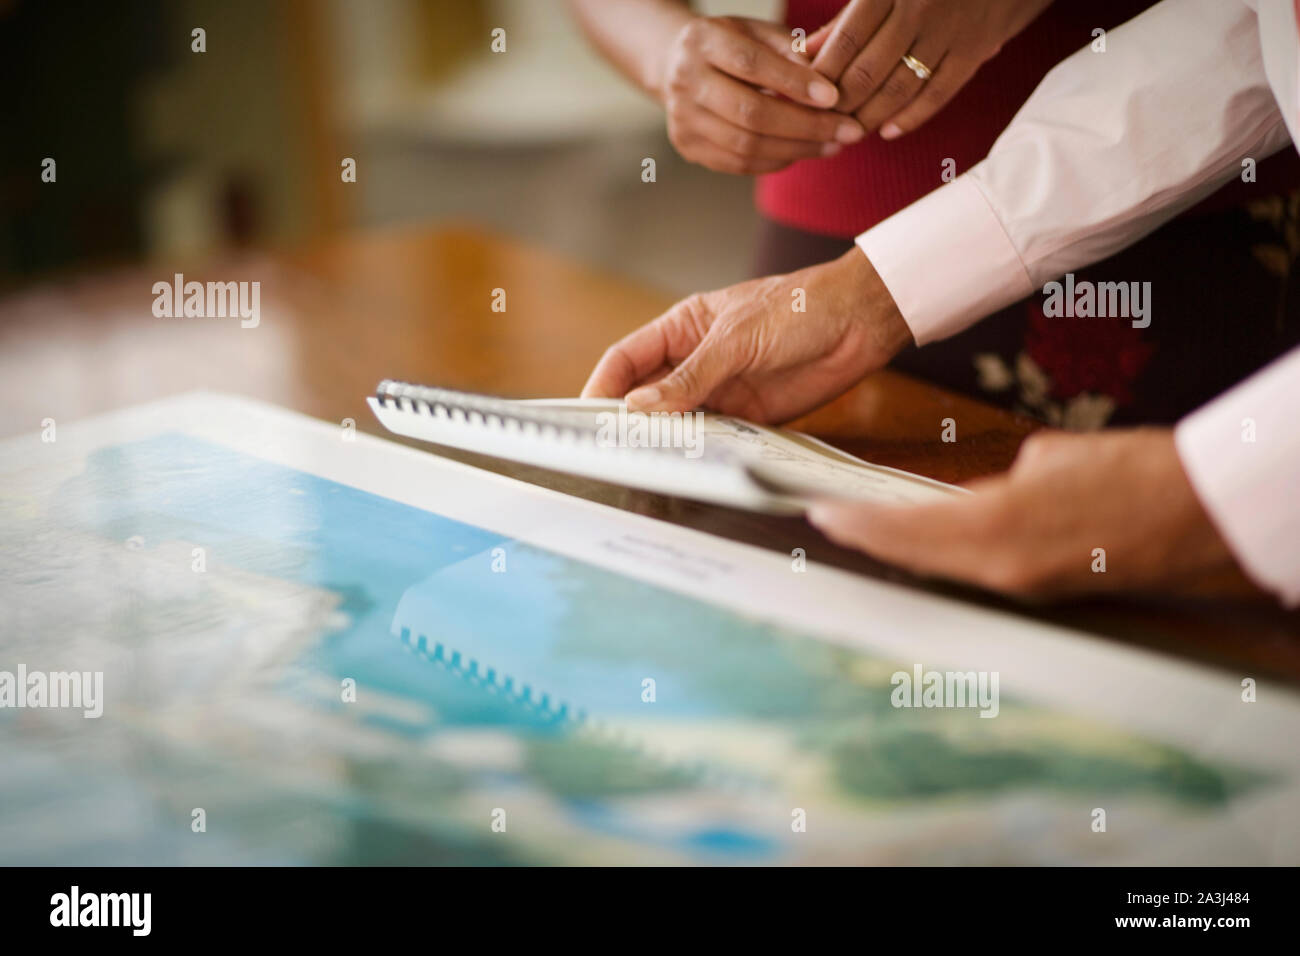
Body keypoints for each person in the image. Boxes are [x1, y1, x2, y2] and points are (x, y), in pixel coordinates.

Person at [579, 0, 1300, 606]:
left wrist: (1213, 496)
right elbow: (1249, 39)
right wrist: (866, 295)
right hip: (893, 232)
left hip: (1196, 268)